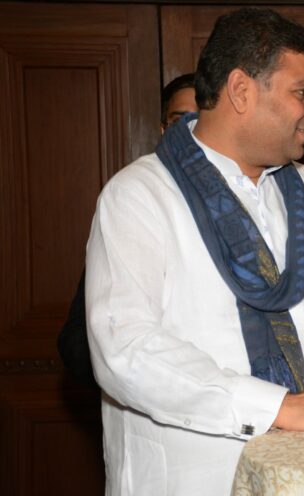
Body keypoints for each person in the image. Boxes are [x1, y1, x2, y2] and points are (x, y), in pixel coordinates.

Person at [85, 8, 304, 496]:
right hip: (194, 487)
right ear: (241, 91)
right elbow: (126, 349)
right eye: (302, 91)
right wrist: (282, 409)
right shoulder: (139, 196)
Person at [58, 72, 198, 387]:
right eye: (180, 120)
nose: (190, 131)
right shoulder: (134, 200)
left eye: (200, 120)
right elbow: (78, 342)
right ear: (163, 129)